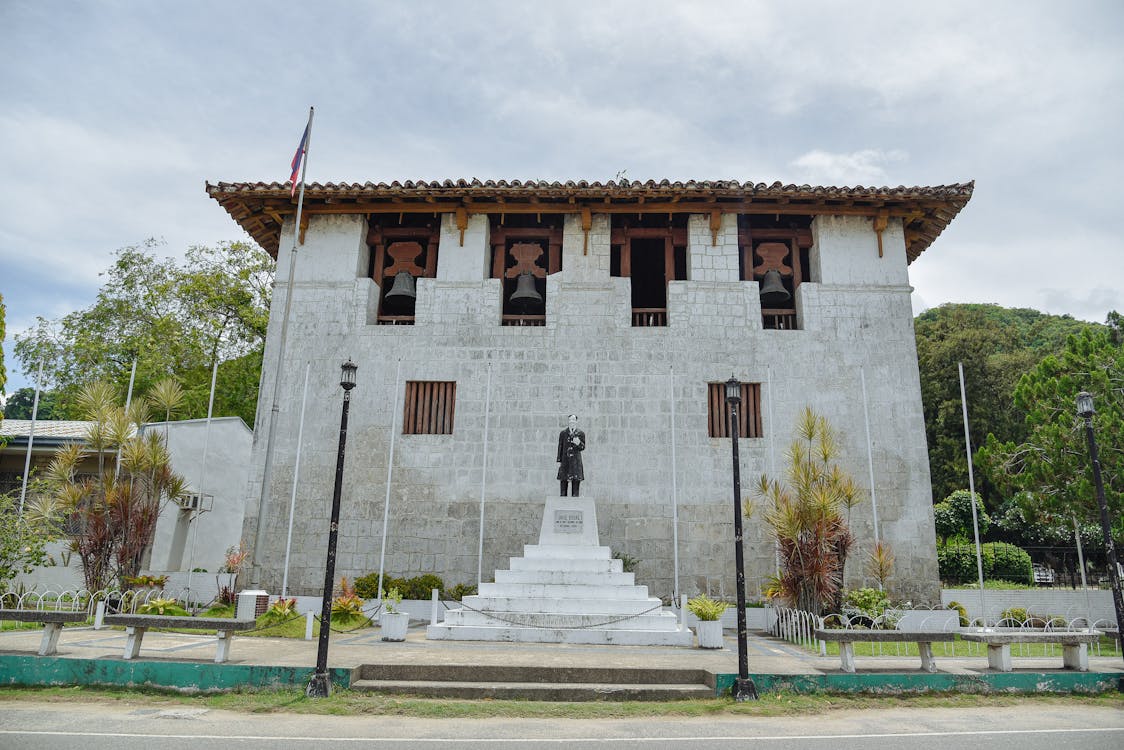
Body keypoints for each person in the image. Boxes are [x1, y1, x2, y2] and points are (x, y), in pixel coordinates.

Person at [556, 414, 585, 496]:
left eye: (573, 420)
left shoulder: (580, 433)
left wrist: (578, 443)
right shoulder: (563, 433)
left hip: (576, 462)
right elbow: (560, 447)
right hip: (565, 462)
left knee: (575, 484)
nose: (572, 422)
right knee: (563, 483)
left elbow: (583, 447)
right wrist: (559, 460)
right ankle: (562, 503)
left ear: (576, 421)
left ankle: (575, 502)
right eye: (570, 420)